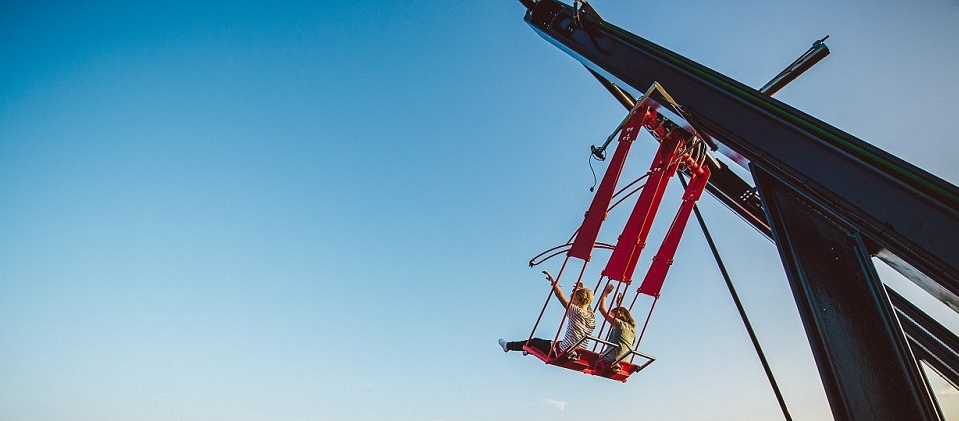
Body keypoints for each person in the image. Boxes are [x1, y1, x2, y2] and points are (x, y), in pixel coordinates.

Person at [498, 271, 596, 359]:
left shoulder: (575, 311)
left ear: (578, 300)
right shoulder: (592, 317)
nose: (571, 300)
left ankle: (507, 346)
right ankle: (528, 350)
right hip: (580, 354)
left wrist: (553, 281)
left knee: (533, 342)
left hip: (563, 351)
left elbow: (558, 293)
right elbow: (588, 300)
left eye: (573, 298)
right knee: (547, 343)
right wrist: (581, 289)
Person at [595, 283, 636, 373]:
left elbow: (602, 309)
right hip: (623, 362)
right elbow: (628, 316)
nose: (610, 315)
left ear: (618, 315)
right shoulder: (632, 330)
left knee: (595, 358)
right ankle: (616, 365)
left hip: (611, 360)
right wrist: (619, 305)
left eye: (612, 313)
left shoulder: (619, 324)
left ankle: (612, 364)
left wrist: (605, 293)